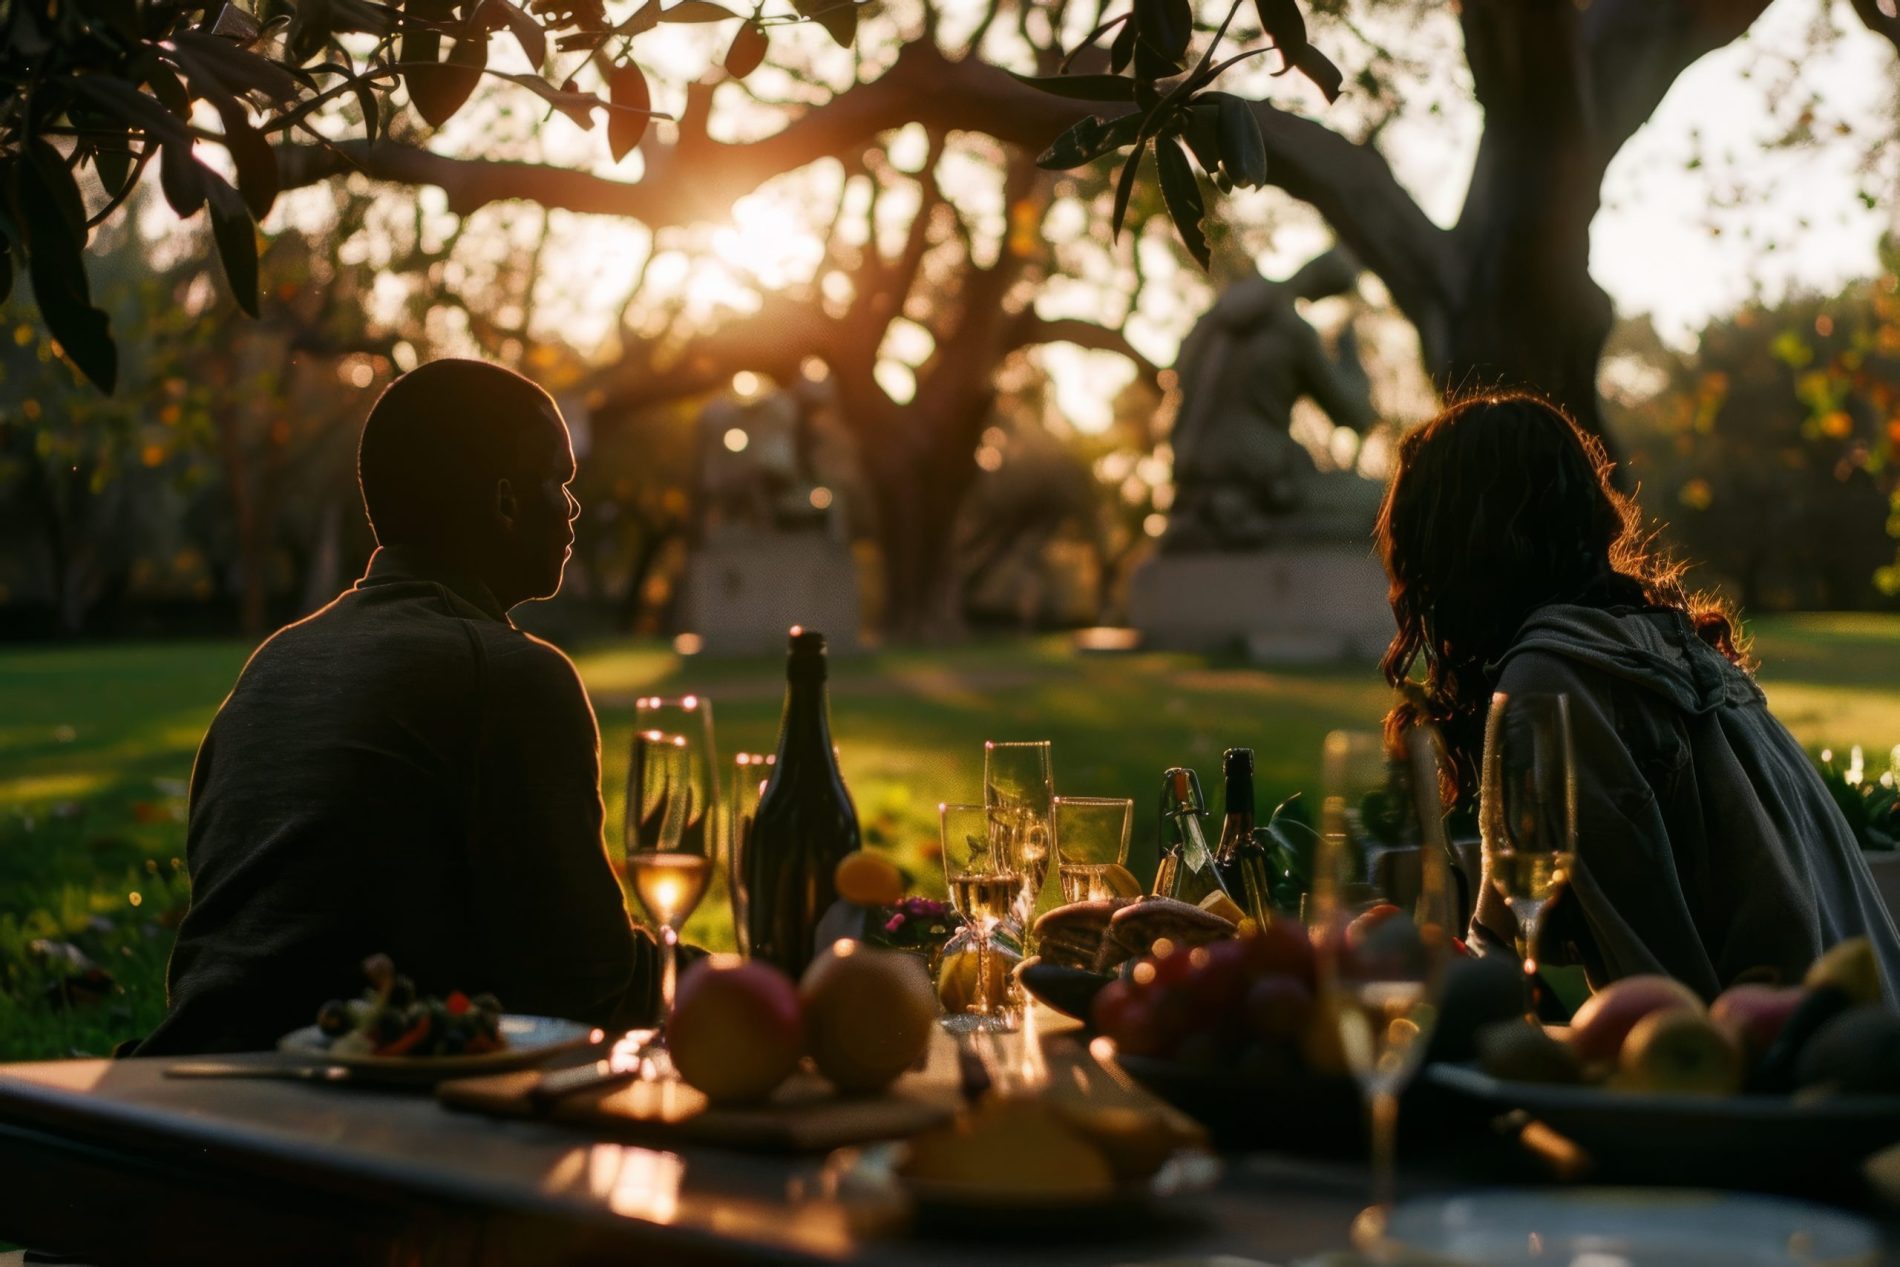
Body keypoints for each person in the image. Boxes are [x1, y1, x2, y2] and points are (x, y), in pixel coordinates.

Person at [140, 360, 660, 1054]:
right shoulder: (513, 675)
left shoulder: (275, 662)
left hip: (179, 1082)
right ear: (505, 499)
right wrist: (754, 975)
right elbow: (590, 982)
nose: (572, 505)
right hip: (341, 1112)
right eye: (557, 480)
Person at [1376, 391, 1900, 1002]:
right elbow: (1507, 925)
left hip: (1790, 1069)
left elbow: (1660, 983)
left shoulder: (1549, 682)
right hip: (1862, 1038)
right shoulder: (1663, 648)